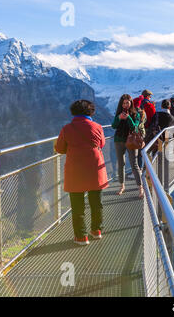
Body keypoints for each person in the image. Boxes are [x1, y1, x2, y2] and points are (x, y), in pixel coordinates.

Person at [55, 99, 108, 246]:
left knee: (77, 205)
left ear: (74, 112)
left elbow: (60, 149)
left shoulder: (67, 129)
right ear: (91, 112)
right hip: (94, 168)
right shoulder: (97, 127)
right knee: (96, 203)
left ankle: (81, 237)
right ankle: (97, 231)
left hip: (75, 170)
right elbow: (102, 144)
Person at [111, 94, 144, 198]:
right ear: (121, 104)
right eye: (124, 103)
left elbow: (135, 128)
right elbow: (113, 126)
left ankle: (140, 187)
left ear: (131, 103)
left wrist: (128, 118)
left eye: (127, 103)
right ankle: (122, 186)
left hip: (131, 141)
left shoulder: (136, 114)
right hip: (118, 140)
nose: (125, 105)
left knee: (134, 165)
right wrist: (119, 118)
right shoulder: (118, 113)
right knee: (121, 164)